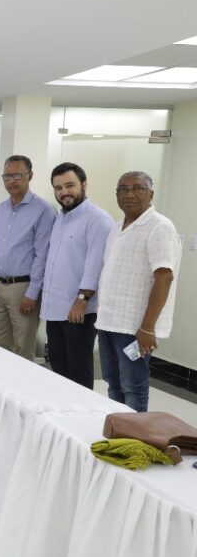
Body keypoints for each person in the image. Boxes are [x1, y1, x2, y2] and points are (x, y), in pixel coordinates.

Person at [96, 171, 181, 412]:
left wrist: (147, 327)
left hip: (134, 328)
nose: (129, 194)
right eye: (123, 189)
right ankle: (118, 429)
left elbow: (164, 277)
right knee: (112, 382)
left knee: (133, 386)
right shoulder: (117, 228)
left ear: (151, 194)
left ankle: (135, 433)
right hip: (109, 322)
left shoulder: (159, 227)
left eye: (137, 188)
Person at [40, 163, 114, 389]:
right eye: (58, 188)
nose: (64, 192)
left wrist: (81, 300)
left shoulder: (98, 219)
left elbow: (96, 265)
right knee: (58, 366)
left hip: (79, 310)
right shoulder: (60, 218)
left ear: (84, 184)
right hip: (55, 308)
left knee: (79, 370)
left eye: (70, 185)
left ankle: (81, 410)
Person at [0, 155, 55, 359]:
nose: (11, 181)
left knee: (22, 348)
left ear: (30, 176)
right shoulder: (0, 209)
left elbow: (42, 256)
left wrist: (32, 293)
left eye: (17, 175)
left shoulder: (43, 210)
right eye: (7, 176)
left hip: (23, 288)